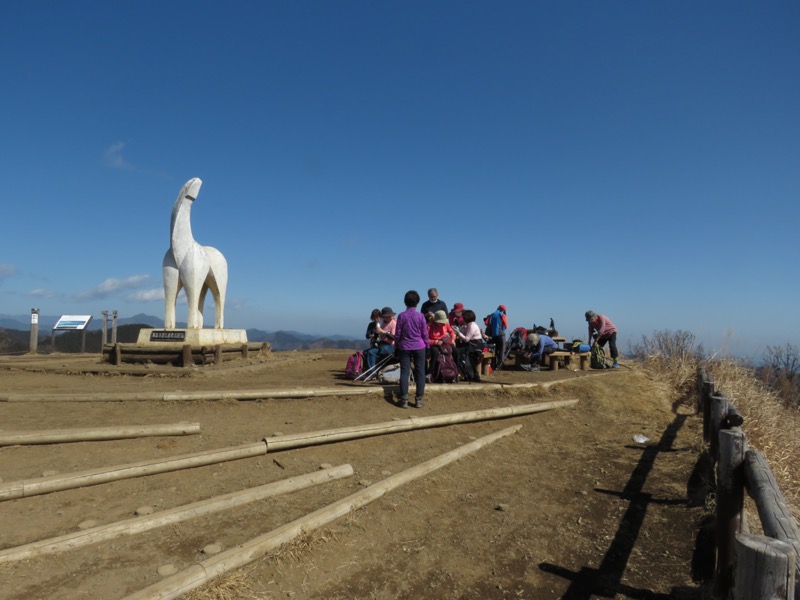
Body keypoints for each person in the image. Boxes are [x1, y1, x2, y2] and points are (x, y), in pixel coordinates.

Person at [395, 290, 429, 408]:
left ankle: (404, 399)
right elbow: (424, 333)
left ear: (405, 302)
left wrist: (396, 346)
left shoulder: (401, 316)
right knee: (420, 372)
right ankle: (419, 399)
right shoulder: (420, 316)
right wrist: (427, 346)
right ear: (417, 303)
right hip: (419, 346)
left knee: (404, 372)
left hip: (404, 346)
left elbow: (398, 334)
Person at [454, 309, 486, 381]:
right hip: (472, 345)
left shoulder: (472, 326)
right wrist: (460, 329)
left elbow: (466, 339)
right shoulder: (469, 325)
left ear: (466, 318)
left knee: (460, 354)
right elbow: (464, 333)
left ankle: (470, 376)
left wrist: (458, 332)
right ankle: (467, 375)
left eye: (463, 317)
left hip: (475, 346)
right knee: (458, 352)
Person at [427, 310, 456, 380]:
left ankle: (455, 372)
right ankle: (430, 373)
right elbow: (425, 340)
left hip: (445, 342)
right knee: (435, 352)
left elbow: (452, 332)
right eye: (441, 322)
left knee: (456, 351)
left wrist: (453, 339)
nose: (443, 324)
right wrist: (435, 342)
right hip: (434, 344)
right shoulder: (429, 326)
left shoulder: (446, 324)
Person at [487, 305, 508, 370]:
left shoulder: (492, 315)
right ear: (503, 310)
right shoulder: (502, 315)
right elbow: (505, 325)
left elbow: (487, 323)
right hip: (501, 335)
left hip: (493, 335)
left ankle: (494, 364)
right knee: (502, 349)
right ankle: (500, 365)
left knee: (495, 350)